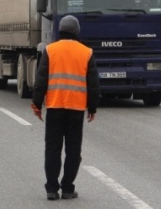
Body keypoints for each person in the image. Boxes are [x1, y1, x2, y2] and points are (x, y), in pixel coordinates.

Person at [31, 15, 100, 201]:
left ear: (59, 30)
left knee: (52, 149)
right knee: (73, 150)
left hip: (54, 106)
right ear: (77, 32)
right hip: (76, 108)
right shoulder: (86, 52)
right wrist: (92, 108)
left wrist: (36, 104)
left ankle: (52, 189)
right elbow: (93, 84)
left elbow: (41, 79)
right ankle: (68, 188)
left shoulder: (50, 50)